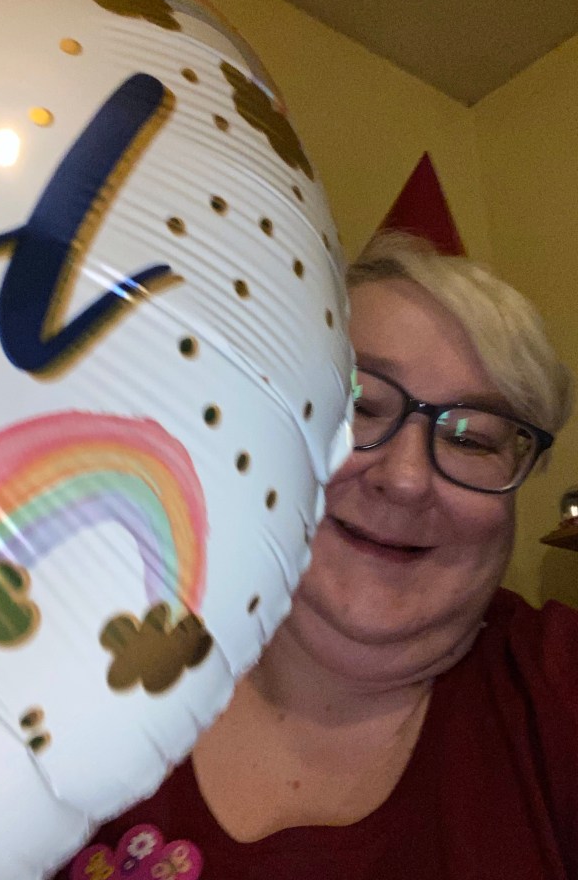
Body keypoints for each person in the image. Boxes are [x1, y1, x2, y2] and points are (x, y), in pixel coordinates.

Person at [59, 231, 578, 880]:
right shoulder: (71, 658)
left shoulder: (555, 691)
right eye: (357, 404)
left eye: (473, 440)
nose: (406, 479)